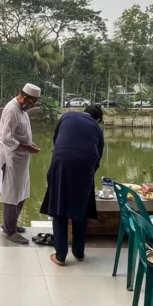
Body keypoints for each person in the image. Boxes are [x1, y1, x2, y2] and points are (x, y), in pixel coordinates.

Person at [39, 104, 105, 266]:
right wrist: (86, 176)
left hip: (61, 162)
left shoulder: (67, 116)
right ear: (98, 119)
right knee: (80, 209)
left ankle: (61, 255)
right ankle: (79, 252)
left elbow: (56, 140)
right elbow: (98, 157)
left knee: (59, 207)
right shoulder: (97, 129)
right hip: (84, 167)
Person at [0, 83, 42, 244]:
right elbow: (6, 138)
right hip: (10, 158)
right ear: (25, 98)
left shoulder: (22, 109)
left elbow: (22, 132)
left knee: (21, 192)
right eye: (32, 103)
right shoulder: (12, 109)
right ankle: (10, 231)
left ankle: (10, 224)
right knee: (11, 194)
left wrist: (30, 144)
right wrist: (26, 146)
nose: (32, 107)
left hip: (21, 159)